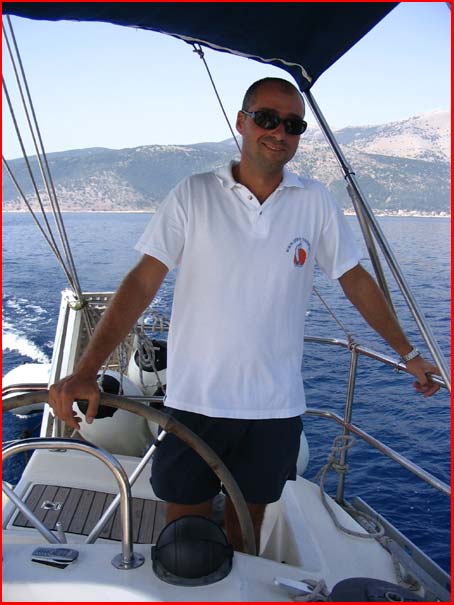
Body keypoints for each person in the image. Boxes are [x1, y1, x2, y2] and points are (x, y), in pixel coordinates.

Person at [49, 77, 440, 553]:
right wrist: (86, 370)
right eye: (267, 118)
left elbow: (354, 279)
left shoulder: (314, 200)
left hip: (274, 406)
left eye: (293, 125)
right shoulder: (194, 193)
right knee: (184, 534)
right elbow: (142, 282)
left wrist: (409, 354)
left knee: (247, 532)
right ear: (242, 121)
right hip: (196, 402)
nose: (280, 132)